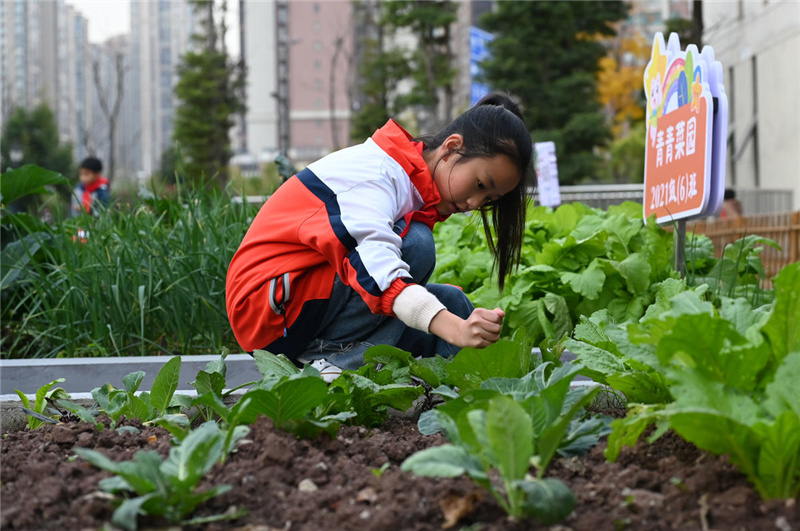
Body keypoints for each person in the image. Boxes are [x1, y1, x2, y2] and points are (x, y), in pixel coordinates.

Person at [226, 92, 535, 381]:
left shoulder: (407, 184)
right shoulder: (375, 174)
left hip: (306, 304)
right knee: (416, 246)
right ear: (452, 147)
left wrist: (465, 326)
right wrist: (456, 329)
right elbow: (377, 272)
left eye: (489, 200)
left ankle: (463, 396)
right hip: (269, 311)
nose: (474, 205)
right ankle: (332, 368)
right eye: (481, 185)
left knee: (452, 302)